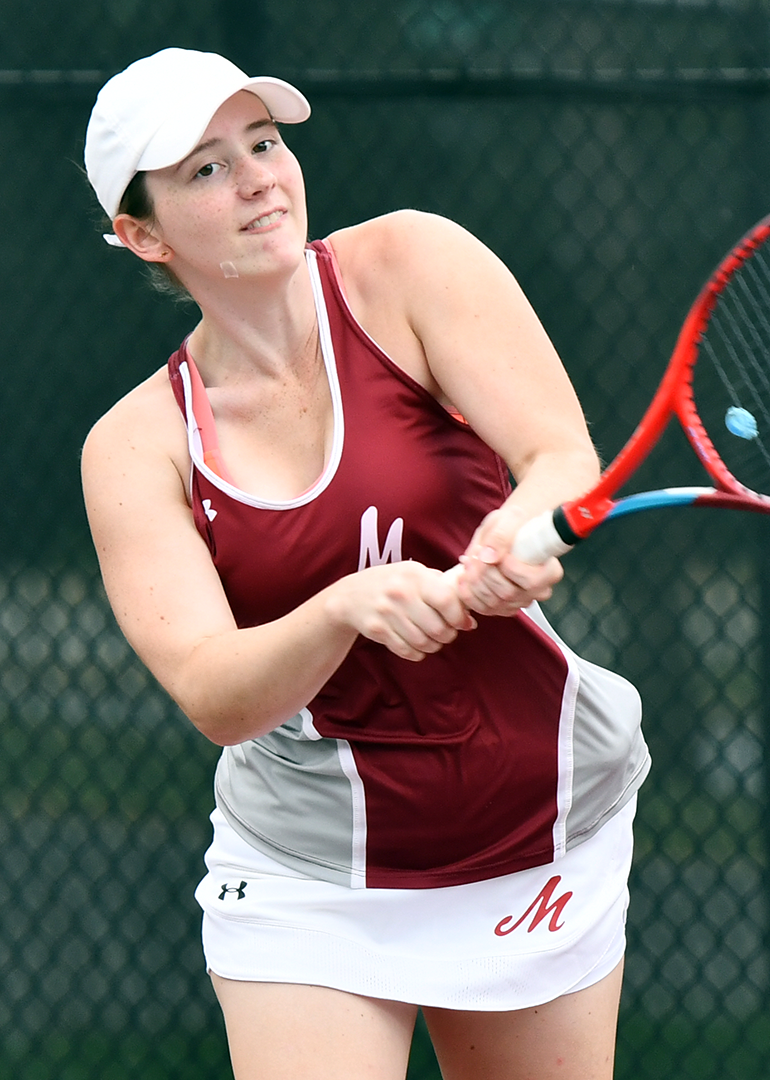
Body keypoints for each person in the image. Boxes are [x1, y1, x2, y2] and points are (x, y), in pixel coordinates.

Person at [79, 48, 650, 1079]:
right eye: (204, 169)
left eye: (264, 142)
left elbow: (561, 462)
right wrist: (345, 606)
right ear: (141, 234)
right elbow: (215, 692)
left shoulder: (411, 265)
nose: (257, 177)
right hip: (309, 865)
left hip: (536, 815)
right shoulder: (135, 448)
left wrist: (521, 531)